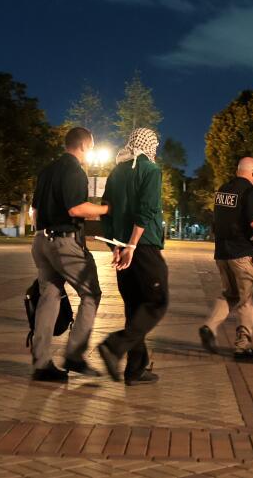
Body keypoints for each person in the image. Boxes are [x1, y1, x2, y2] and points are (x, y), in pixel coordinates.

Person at [30, 127, 110, 382]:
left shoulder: (47, 170)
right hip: (64, 243)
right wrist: (108, 208)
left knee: (49, 297)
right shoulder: (75, 171)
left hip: (41, 240)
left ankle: (41, 363)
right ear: (85, 145)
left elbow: (34, 209)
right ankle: (74, 354)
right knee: (91, 293)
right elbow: (76, 208)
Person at [97, 128, 166, 385]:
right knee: (158, 301)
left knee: (134, 306)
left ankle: (135, 369)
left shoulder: (117, 171)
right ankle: (114, 347)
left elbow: (106, 210)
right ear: (149, 146)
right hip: (143, 247)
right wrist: (132, 245)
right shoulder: (150, 170)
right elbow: (146, 210)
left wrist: (115, 245)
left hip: (120, 245)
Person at [200, 156, 253, 359]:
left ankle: (209, 327)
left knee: (230, 294)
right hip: (242, 254)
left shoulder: (222, 190)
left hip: (222, 253)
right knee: (248, 299)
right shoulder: (250, 192)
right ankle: (242, 346)